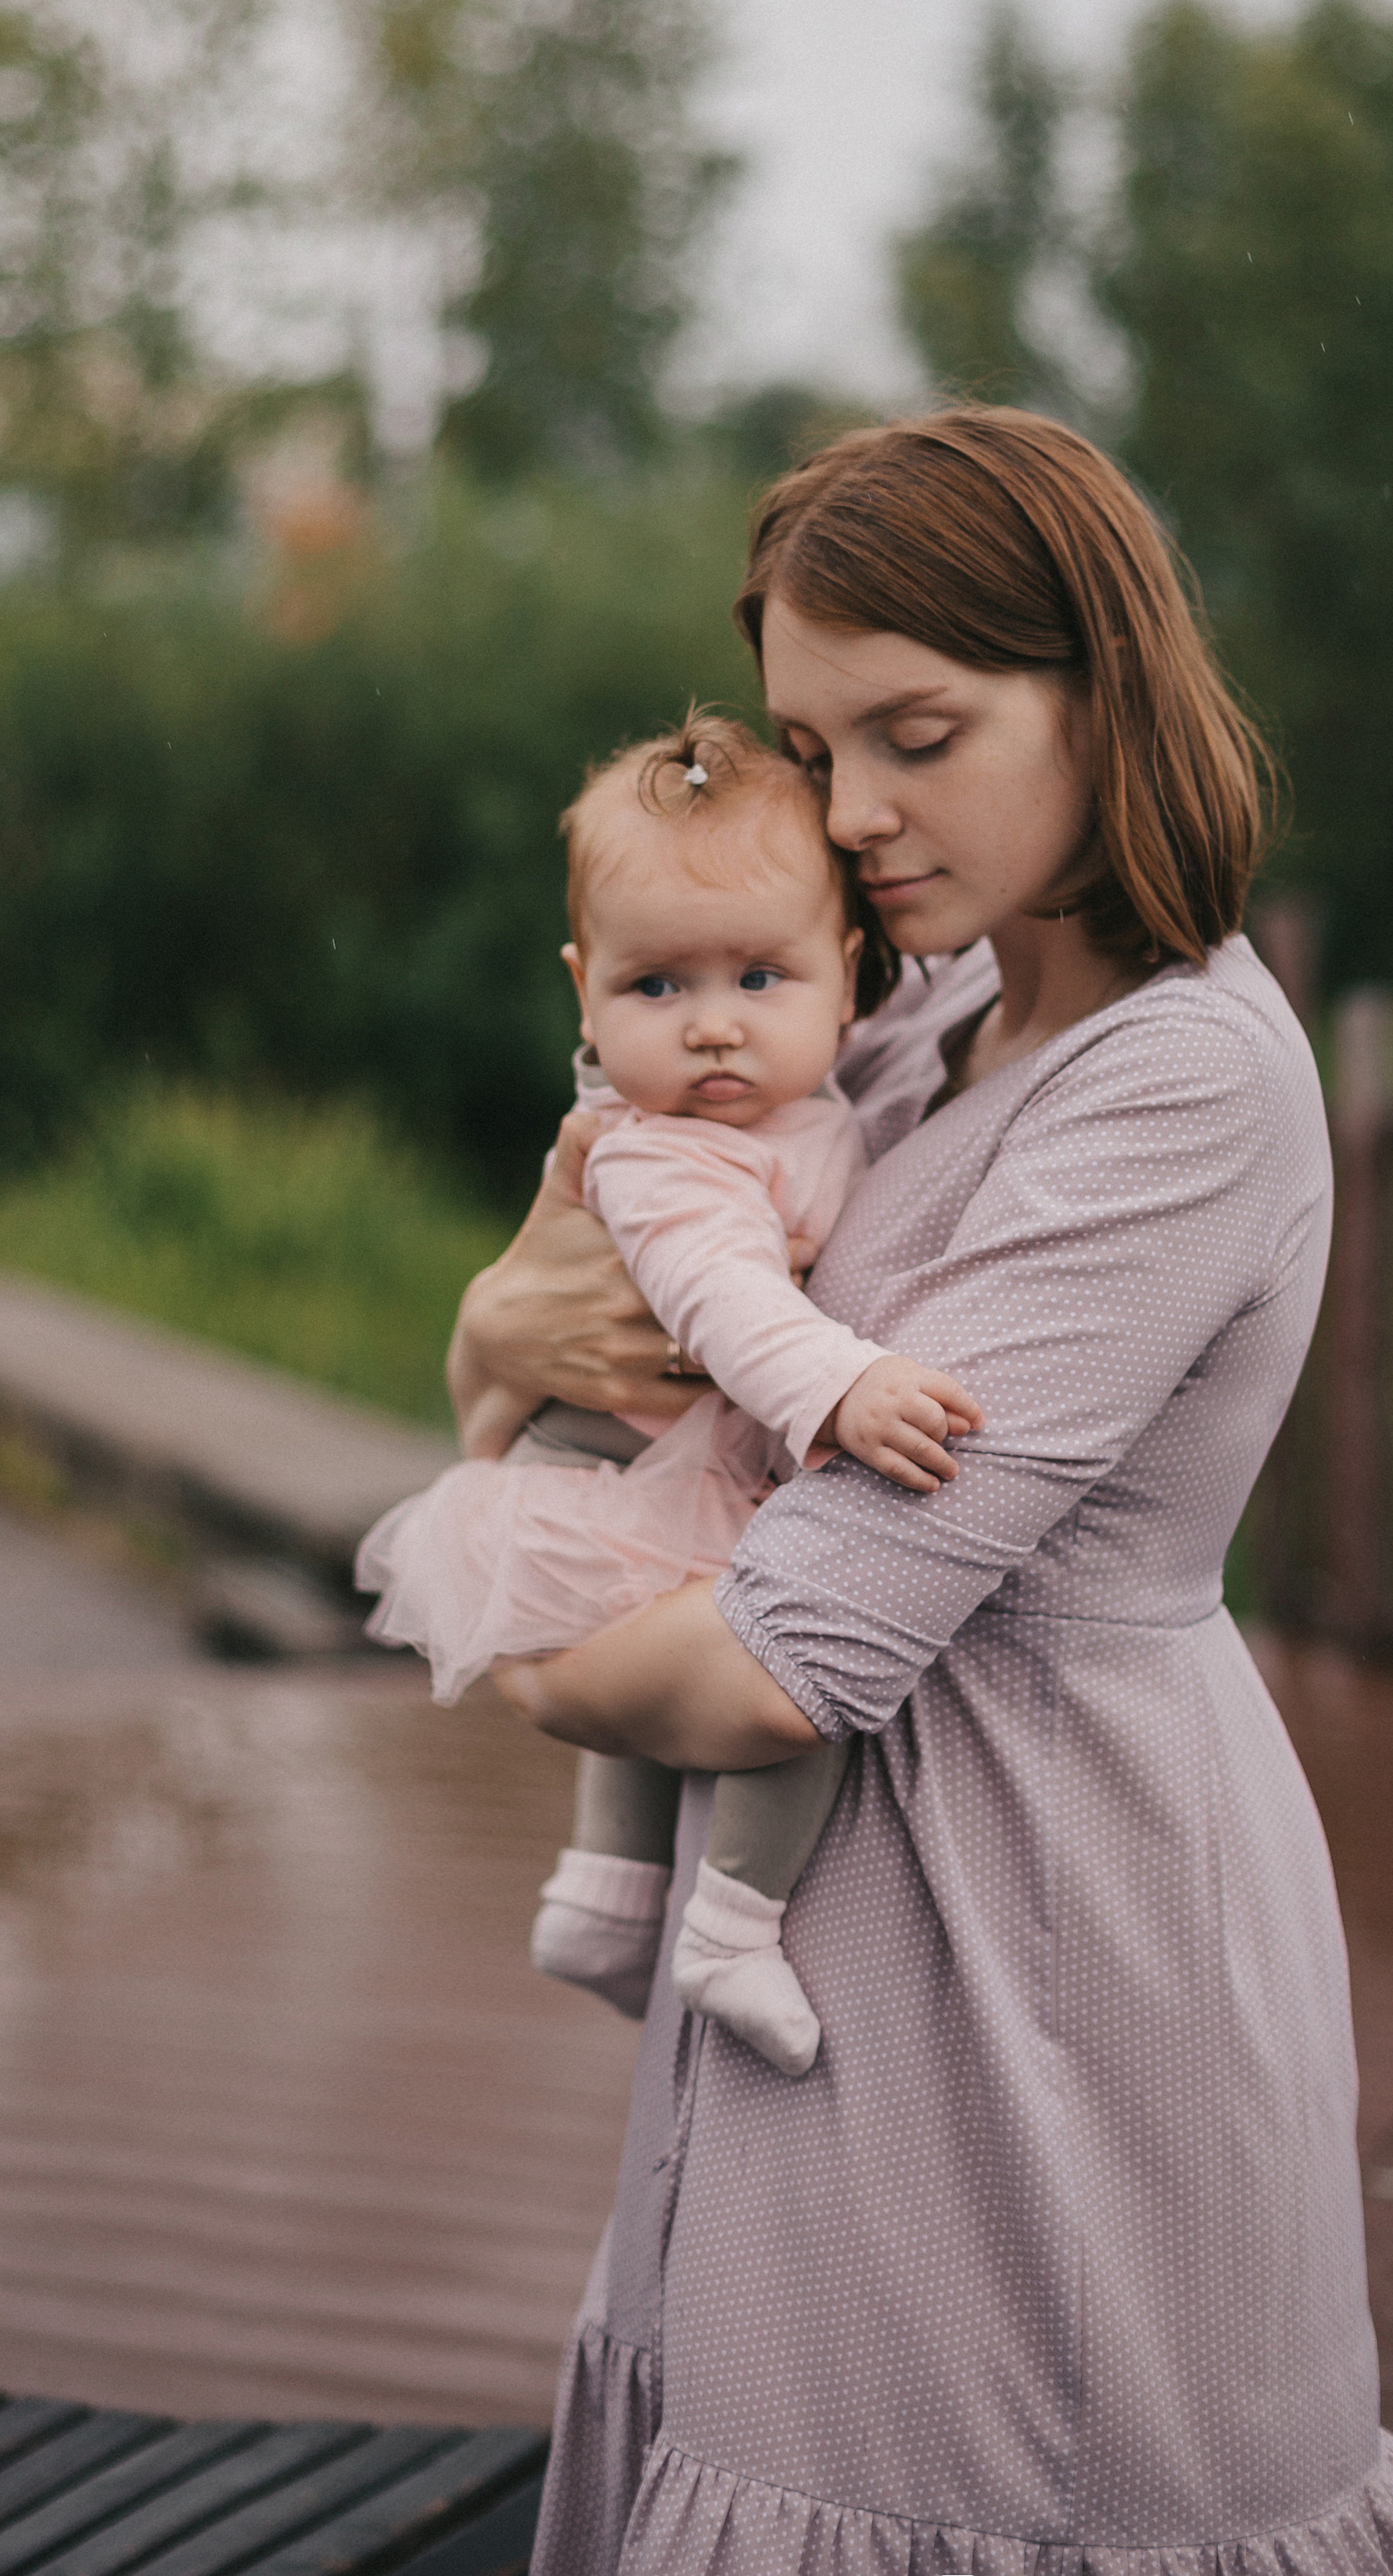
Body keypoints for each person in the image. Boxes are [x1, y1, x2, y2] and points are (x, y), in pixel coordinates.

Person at [456, 407, 1393, 2572]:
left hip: (1042, 1924)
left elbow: (780, 1668)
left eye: (914, 736)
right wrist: (493, 1337)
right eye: (811, 746)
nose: (849, 812)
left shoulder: (1180, 1080)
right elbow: (570, 1328)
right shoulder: (912, 1019)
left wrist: (523, 1646)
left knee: (1000, 2474)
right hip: (818, 1915)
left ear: (1101, 692)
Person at [358, 710, 980, 2074]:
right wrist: (843, 1385)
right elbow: (724, 1302)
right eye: (656, 986)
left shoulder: (804, 1107)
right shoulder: (657, 1154)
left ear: (848, 976)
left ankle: (602, 1895)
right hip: (617, 1467)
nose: (712, 1027)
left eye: (760, 977)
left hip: (640, 1459)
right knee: (800, 1677)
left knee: (689, 1656)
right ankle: (732, 1931)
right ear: (584, 991)